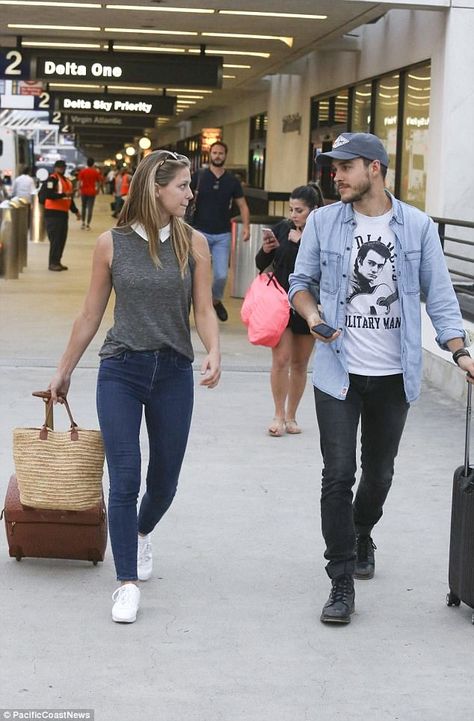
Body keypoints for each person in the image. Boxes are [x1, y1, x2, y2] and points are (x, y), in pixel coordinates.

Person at [288, 132, 474, 625]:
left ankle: (362, 528)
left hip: (394, 377)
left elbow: (440, 298)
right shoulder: (324, 223)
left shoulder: (416, 227)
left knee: (379, 473)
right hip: (338, 372)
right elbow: (300, 285)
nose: (336, 176)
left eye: (345, 167)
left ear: (375, 168)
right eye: (334, 168)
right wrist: (312, 319)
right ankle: (341, 580)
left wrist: (459, 351)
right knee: (337, 475)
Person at [48, 150, 221, 624]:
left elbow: (203, 309)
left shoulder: (194, 243)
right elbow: (90, 314)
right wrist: (64, 370)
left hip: (172, 373)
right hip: (120, 369)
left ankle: (140, 533)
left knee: (165, 481)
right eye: (184, 185)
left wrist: (214, 350)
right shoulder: (112, 243)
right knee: (125, 476)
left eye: (190, 185)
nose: (191, 193)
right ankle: (126, 582)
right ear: (156, 189)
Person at [255, 184, 323, 437]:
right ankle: (278, 414)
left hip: (308, 306)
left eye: (300, 210)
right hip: (280, 304)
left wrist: (303, 242)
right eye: (291, 209)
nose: (294, 215)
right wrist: (267, 249)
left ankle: (292, 415)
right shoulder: (283, 229)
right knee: (281, 359)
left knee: (299, 363)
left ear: (314, 211)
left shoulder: (322, 233)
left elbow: (324, 267)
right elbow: (261, 264)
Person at [190, 141, 251, 322]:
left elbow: (242, 205)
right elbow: (184, 197)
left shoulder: (232, 181)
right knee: (195, 273)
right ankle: (195, 305)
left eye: (221, 153)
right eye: (214, 152)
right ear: (210, 154)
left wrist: (246, 227)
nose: (217, 156)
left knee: (221, 275)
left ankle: (215, 301)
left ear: (226, 155)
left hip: (222, 235)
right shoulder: (199, 176)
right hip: (199, 233)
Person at [43, 159, 81, 271]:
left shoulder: (66, 181)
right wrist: (64, 194)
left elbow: (69, 199)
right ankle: (53, 263)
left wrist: (76, 211)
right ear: (55, 168)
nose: (62, 169)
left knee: (61, 239)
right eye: (60, 167)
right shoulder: (52, 179)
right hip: (52, 214)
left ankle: (57, 261)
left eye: (63, 167)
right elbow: (48, 194)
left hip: (63, 214)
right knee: (55, 239)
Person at [77, 157, 103, 230]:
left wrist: (79, 191)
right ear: (93, 163)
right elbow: (99, 182)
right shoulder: (95, 172)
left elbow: (79, 182)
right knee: (90, 208)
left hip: (84, 191)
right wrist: (97, 189)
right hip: (92, 192)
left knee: (83, 207)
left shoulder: (82, 171)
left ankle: (83, 223)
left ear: (87, 163)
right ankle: (88, 225)